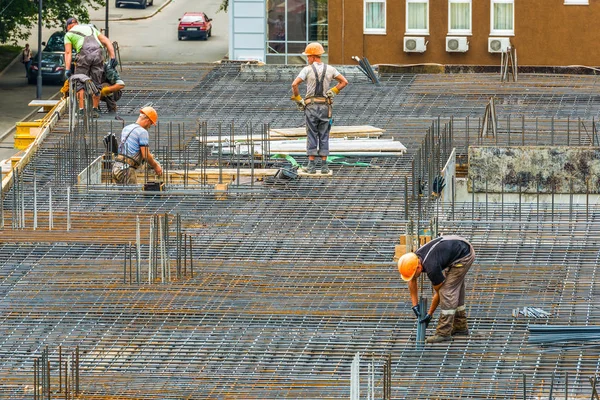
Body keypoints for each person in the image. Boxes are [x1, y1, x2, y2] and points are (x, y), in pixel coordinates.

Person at [398, 235, 476, 344]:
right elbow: (412, 279)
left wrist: (429, 314)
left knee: (447, 292)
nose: (413, 277)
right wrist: (414, 305)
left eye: (413, 274)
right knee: (455, 287)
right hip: (455, 249)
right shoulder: (414, 258)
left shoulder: (431, 267)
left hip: (464, 255)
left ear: (419, 268)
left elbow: (439, 293)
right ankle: (460, 326)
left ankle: (443, 333)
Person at [291, 42, 348, 174]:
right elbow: (344, 82)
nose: (307, 59)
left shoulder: (307, 69)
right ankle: (324, 166)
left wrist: (298, 99)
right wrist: (333, 91)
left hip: (311, 106)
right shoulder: (331, 69)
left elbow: (294, 84)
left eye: (308, 56)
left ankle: (311, 166)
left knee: (311, 134)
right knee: (324, 134)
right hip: (325, 107)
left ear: (312, 56)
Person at [64, 17, 116, 118]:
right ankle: (95, 110)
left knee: (80, 81)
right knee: (96, 82)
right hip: (98, 54)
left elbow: (68, 52)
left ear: (68, 26)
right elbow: (107, 41)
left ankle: (82, 110)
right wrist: (113, 57)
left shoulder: (69, 34)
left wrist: (67, 69)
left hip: (84, 55)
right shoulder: (91, 28)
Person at [112, 106, 163, 184]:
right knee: (132, 195)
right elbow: (145, 155)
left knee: (123, 196)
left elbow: (131, 151)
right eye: (151, 123)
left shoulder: (126, 128)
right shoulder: (142, 132)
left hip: (116, 168)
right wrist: (156, 166)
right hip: (126, 170)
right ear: (147, 120)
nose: (150, 126)